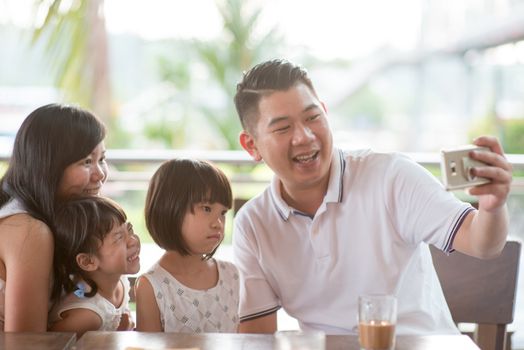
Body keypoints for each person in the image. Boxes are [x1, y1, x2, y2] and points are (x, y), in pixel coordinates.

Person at [232, 59, 512, 334]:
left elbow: (482, 243)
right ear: (251, 145)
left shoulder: (391, 176)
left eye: (313, 117)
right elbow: (257, 338)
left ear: (326, 113)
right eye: (283, 128)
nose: (304, 136)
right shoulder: (253, 224)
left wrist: (492, 208)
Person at [0, 103, 107, 331]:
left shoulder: (38, 215)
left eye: (102, 159)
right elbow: (27, 343)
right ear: (49, 165)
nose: (100, 174)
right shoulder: (29, 230)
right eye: (87, 162)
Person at [135, 158, 239, 333]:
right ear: (170, 208)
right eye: (206, 209)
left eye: (223, 213)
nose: (219, 223)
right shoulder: (151, 286)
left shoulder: (233, 275)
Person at [49, 196, 140, 337]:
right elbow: (48, 345)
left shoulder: (117, 277)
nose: (133, 241)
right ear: (88, 262)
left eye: (130, 230)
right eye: (119, 238)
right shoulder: (86, 317)